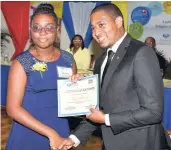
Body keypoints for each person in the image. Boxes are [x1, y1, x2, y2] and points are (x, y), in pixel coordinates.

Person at [59, 3, 170, 150]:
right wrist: (74, 138)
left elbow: (153, 112)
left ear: (118, 22)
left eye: (101, 24)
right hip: (111, 144)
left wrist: (106, 119)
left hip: (141, 144)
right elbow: (99, 109)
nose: (96, 32)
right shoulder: (100, 61)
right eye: (93, 27)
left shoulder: (141, 53)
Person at [6, 3, 76, 150]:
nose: (42, 32)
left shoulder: (68, 59)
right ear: (31, 30)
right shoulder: (22, 62)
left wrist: (80, 84)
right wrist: (51, 134)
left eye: (49, 27)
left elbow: (72, 98)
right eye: (37, 27)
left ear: (57, 30)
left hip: (59, 129)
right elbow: (12, 109)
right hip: (28, 132)